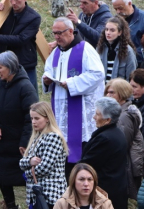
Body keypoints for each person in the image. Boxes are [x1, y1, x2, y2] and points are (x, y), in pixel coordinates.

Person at [42, 17, 105, 177]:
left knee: (80, 150)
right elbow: (48, 69)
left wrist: (72, 83)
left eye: (59, 33)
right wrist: (47, 79)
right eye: (54, 33)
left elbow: (98, 74)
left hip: (81, 109)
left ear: (71, 31)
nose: (56, 37)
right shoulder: (56, 52)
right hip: (60, 109)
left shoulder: (85, 49)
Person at [0, 51, 38, 209]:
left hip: (20, 143)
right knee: (3, 176)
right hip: (3, 142)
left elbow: (31, 118)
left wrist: (25, 141)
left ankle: (34, 204)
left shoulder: (25, 87)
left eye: (0, 67)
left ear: (10, 68)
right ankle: (10, 205)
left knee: (27, 177)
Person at [79, 97, 128, 209]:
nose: (94, 117)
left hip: (105, 192)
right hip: (116, 189)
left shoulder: (105, 139)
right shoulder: (117, 133)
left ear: (107, 120)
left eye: (97, 114)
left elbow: (88, 164)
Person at [19, 101, 68, 209]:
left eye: (37, 118)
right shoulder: (36, 137)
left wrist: (27, 173)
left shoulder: (53, 137)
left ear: (47, 118)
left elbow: (44, 168)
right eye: (32, 118)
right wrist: (30, 161)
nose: (33, 122)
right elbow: (21, 162)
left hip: (51, 194)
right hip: (36, 194)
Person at [105, 79, 144, 202]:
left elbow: (121, 145)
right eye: (107, 92)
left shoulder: (124, 116)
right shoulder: (118, 113)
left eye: (112, 92)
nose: (108, 95)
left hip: (125, 169)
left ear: (122, 94)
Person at [112, 0, 144, 64]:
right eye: (116, 9)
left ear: (129, 3)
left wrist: (132, 54)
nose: (118, 12)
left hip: (141, 64)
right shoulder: (116, 21)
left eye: (120, 8)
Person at [97, 16, 137, 82]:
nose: (108, 33)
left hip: (119, 90)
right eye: (106, 29)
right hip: (101, 89)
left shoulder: (128, 51)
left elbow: (131, 77)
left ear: (120, 32)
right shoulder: (100, 48)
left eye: (112, 30)